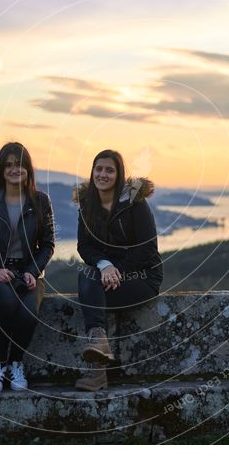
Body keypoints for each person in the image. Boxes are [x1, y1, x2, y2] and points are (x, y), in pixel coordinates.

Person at [73, 149, 164, 391]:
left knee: (91, 295)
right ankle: (99, 347)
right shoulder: (87, 205)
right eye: (98, 169)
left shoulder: (135, 203)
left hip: (143, 277)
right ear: (92, 172)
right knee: (86, 275)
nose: (103, 174)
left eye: (109, 170)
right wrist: (105, 265)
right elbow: (85, 246)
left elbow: (147, 249)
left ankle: (96, 374)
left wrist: (118, 270)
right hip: (108, 276)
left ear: (119, 174)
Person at [0, 142, 55, 393]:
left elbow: (48, 244)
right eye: (8, 165)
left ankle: (16, 363)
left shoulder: (41, 201)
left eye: (19, 164)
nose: (14, 169)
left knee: (28, 313)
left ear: (27, 169)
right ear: (0, 169)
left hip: (28, 274)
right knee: (6, 303)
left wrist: (33, 271)